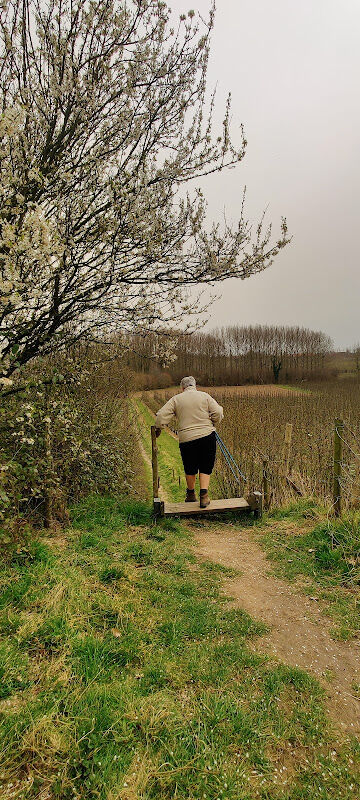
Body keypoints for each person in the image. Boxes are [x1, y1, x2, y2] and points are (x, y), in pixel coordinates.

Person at [155, 376, 224, 508]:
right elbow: (218, 412)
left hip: (187, 438)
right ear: (195, 385)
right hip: (207, 436)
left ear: (182, 388)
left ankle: (191, 494)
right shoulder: (205, 396)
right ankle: (204, 496)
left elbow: (161, 416)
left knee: (190, 466)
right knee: (206, 465)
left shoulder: (176, 399)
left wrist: (159, 428)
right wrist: (213, 422)